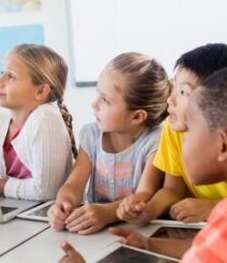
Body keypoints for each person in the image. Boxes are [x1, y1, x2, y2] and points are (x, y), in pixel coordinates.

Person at [57, 65, 227, 263]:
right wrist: (151, 245)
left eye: (191, 129)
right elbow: (215, 246)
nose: (181, 139)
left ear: (223, 145)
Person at [117, 44, 227, 224]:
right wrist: (149, 210)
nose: (170, 99)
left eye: (184, 92)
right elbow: (173, 190)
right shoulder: (173, 129)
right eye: (174, 86)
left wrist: (214, 207)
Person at [48, 53, 170, 234]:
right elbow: (73, 185)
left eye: (105, 100)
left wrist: (106, 213)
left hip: (137, 232)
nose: (94, 104)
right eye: (98, 94)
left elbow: (144, 196)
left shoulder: (154, 142)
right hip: (96, 231)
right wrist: (62, 205)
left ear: (137, 116)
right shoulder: (91, 135)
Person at [0, 44, 74, 201]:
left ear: (40, 91)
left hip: (48, 215)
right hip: (18, 207)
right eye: (2, 73)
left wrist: (0, 186)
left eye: (11, 76)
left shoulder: (45, 119)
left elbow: (46, 191)